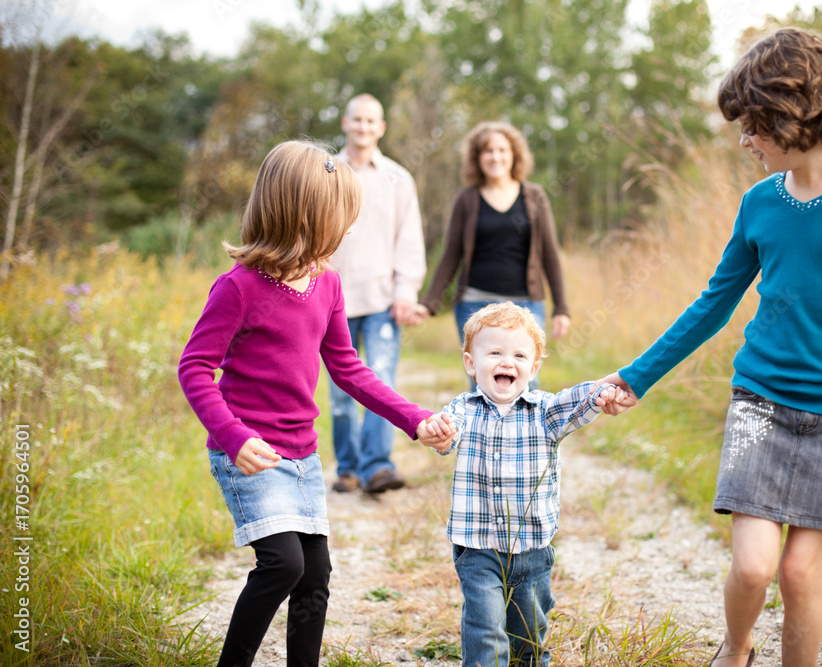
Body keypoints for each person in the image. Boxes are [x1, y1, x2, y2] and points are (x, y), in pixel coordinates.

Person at [599, 28, 822, 667]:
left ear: (791, 115)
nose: (744, 140)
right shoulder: (760, 202)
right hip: (760, 404)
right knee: (754, 569)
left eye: (753, 125)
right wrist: (636, 376)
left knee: (800, 575)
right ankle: (736, 648)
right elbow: (713, 303)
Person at [178, 140, 452, 667]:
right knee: (282, 565)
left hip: (301, 456)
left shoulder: (327, 284)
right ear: (304, 217)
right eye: (341, 219)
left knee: (315, 572)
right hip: (251, 453)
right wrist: (234, 437)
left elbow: (348, 368)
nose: (349, 230)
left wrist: (414, 420)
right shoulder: (238, 289)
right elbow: (194, 367)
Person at [420, 302, 629, 667]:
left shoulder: (545, 412)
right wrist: (437, 433)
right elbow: (446, 434)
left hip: (532, 550)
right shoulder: (464, 408)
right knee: (485, 630)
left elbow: (575, 402)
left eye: (519, 355)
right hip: (477, 547)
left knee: (528, 637)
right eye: (495, 352)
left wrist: (601, 392)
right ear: (471, 364)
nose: (507, 362)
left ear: (533, 368)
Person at [412, 121, 571, 388]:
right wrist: (429, 304)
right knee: (483, 383)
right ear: (477, 158)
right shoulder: (467, 199)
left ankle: (524, 432)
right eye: (488, 151)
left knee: (526, 383)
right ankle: (483, 432)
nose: (495, 156)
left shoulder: (534, 197)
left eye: (502, 150)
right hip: (475, 304)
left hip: (526, 304)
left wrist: (561, 308)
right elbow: (451, 254)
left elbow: (550, 256)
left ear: (514, 155)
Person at [326, 93, 427, 495]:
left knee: (381, 381)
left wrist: (406, 290)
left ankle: (378, 467)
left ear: (381, 128)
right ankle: (348, 469)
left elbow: (409, 240)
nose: (364, 127)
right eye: (357, 120)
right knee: (340, 391)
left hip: (384, 299)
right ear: (345, 123)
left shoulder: (398, 179)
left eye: (372, 121)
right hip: (334, 298)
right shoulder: (326, 172)